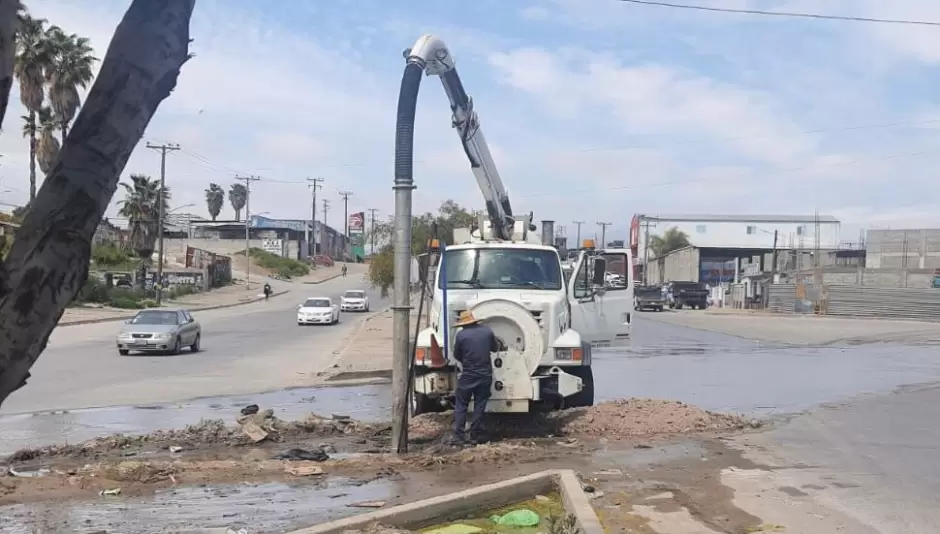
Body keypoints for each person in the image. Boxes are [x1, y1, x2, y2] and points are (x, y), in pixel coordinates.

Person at [450, 310, 502, 445]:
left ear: (463, 323)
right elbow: (495, 348)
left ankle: (459, 436)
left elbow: (457, 355)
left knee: (461, 404)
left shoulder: (461, 335)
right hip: (485, 374)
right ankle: (475, 433)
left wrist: (466, 361)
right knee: (480, 403)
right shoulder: (487, 331)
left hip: (468, 374)